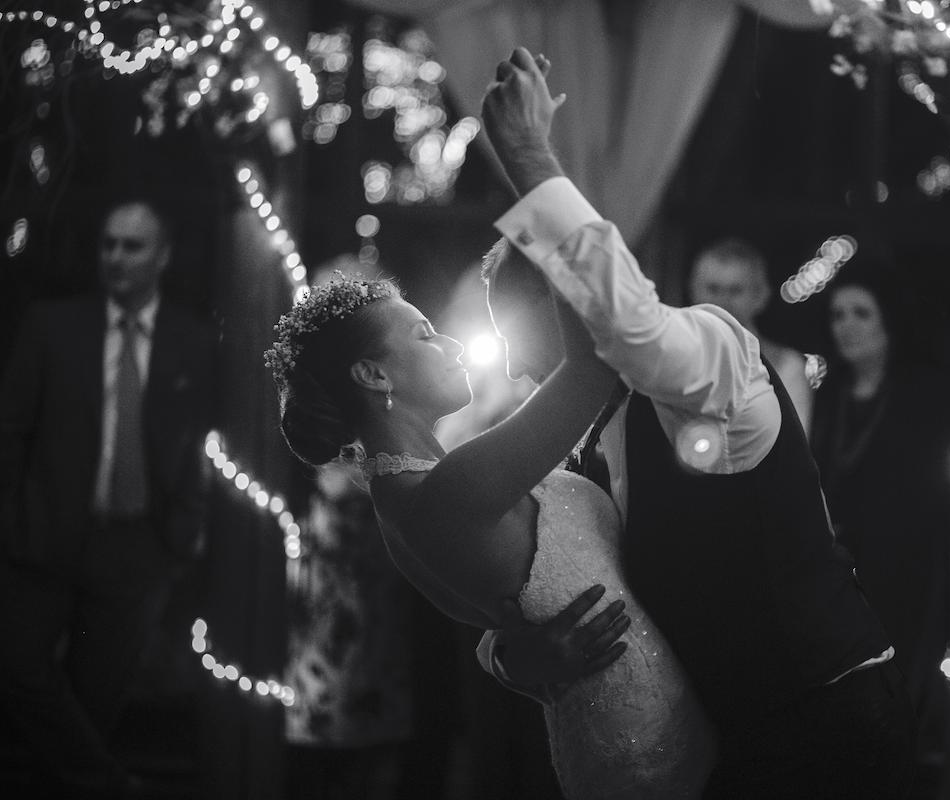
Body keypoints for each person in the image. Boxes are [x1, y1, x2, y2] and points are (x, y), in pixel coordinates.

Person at [478, 47, 916, 799]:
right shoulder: (580, 444)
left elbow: (632, 332)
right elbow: (514, 572)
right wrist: (513, 659)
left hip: (828, 715)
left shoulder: (717, 352)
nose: (524, 386)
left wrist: (526, 152)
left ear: (577, 317)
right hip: (722, 736)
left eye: (531, 361)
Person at [264, 265, 717, 799]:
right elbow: (591, 368)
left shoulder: (404, 494)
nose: (453, 344)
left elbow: (500, 610)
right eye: (426, 335)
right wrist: (553, 233)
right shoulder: (450, 487)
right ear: (375, 376)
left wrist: (504, 656)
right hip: (643, 731)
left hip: (620, 720)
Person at [0, 197, 217, 796]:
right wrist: (13, 520)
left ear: (163, 256)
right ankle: (111, 785)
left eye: (133, 245)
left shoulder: (192, 341)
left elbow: (197, 440)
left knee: (95, 702)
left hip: (136, 547)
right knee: (18, 669)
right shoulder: (53, 326)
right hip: (45, 538)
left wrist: (179, 537)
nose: (116, 257)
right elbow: (10, 431)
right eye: (109, 244)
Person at [808, 272, 950, 795]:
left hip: (904, 566)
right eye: (837, 314)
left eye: (861, 313)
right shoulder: (827, 396)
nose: (846, 326)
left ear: (890, 322)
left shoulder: (925, 396)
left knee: (898, 693)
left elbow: (933, 494)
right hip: (839, 568)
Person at [688, 238, 816, 433]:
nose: (722, 302)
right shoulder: (674, 355)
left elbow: (793, 447)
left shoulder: (786, 367)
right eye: (713, 289)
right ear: (693, 291)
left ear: (760, 296)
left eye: (735, 291)